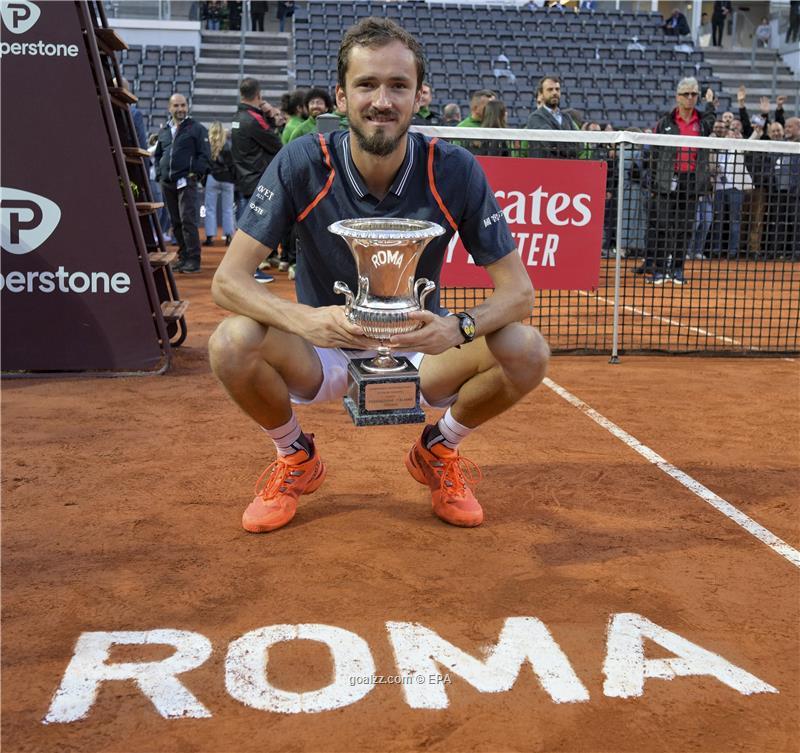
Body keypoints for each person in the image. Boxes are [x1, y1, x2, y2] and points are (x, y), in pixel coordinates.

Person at [208, 17, 549, 534]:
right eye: (366, 85)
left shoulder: (453, 168)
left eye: (398, 86)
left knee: (527, 349)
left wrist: (454, 329)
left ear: (420, 97)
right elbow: (227, 282)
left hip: (420, 349)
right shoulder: (302, 161)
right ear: (341, 98)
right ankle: (295, 455)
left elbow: (519, 293)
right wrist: (305, 320)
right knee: (231, 342)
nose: (382, 101)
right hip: (321, 350)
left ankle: (439, 450)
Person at [644, 78, 715, 285]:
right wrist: (654, 183)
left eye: (694, 94)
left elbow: (712, 118)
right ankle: (659, 270)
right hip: (667, 181)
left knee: (684, 228)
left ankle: (677, 269)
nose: (691, 98)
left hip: (691, 182)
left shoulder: (702, 122)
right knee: (662, 226)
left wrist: (709, 103)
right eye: (686, 94)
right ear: (677, 97)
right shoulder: (665, 122)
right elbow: (654, 155)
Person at [231, 77, 282, 282]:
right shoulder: (253, 118)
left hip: (244, 177)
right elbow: (275, 142)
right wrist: (269, 116)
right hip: (256, 180)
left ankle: (247, 269)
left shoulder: (237, 116)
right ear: (259, 95)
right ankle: (248, 271)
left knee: (246, 226)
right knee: (253, 229)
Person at [154, 94, 211, 274]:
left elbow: (205, 155)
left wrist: (196, 173)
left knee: (187, 220)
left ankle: (194, 259)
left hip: (186, 181)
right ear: (169, 108)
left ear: (187, 106)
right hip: (167, 182)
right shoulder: (164, 131)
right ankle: (183, 256)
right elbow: (158, 155)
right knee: (176, 221)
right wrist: (159, 173)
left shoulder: (196, 128)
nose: (180, 109)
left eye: (183, 105)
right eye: (176, 106)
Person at [525, 75, 579, 159]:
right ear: (541, 94)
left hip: (567, 168)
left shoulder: (566, 117)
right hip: (544, 169)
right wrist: (569, 146)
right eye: (550, 89)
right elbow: (550, 142)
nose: (555, 92)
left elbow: (579, 144)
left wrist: (563, 147)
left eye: (557, 89)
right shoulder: (535, 117)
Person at [204, 122, 236, 247]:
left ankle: (210, 237)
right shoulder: (228, 145)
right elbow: (233, 164)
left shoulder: (208, 146)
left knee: (210, 209)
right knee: (228, 209)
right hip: (227, 180)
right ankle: (228, 236)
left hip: (212, 178)